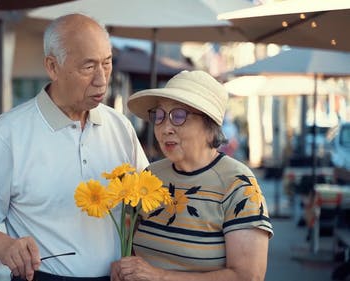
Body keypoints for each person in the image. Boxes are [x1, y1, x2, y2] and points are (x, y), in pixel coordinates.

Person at [0, 13, 149, 281]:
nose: (101, 80)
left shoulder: (121, 127)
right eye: (88, 67)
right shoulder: (9, 132)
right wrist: (4, 245)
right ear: (52, 66)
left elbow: (146, 203)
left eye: (107, 64)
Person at [111, 70, 273, 281]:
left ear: (209, 126)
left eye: (178, 116)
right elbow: (131, 243)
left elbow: (248, 276)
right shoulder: (151, 176)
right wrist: (123, 266)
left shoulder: (238, 184)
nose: (165, 128)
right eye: (159, 116)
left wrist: (160, 276)